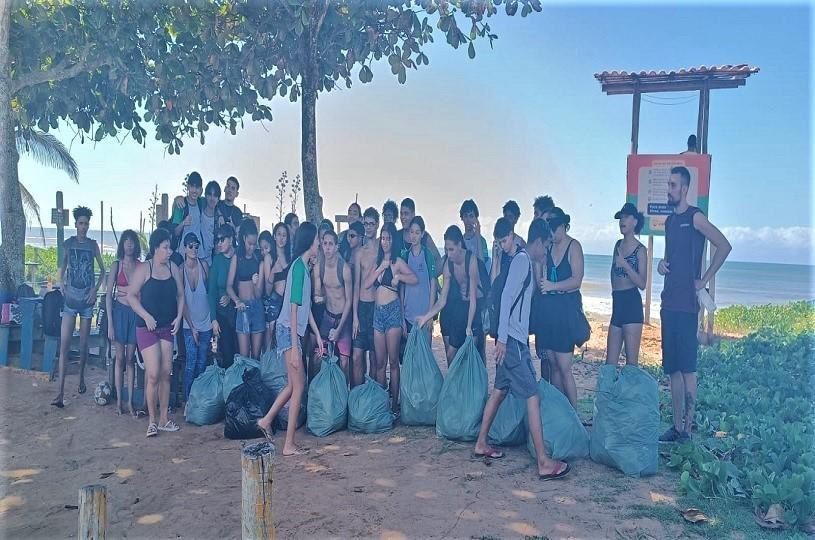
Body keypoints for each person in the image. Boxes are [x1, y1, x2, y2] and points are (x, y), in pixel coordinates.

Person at [473, 218, 570, 481]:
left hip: (512, 340)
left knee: (499, 391)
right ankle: (542, 461)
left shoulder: (525, 262)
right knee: (533, 396)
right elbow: (506, 298)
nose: (547, 249)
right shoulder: (522, 262)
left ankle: (481, 442)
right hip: (513, 342)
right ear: (537, 241)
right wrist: (503, 340)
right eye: (546, 244)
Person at [658, 166, 731, 443]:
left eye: (674, 185)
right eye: (669, 184)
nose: (669, 189)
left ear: (685, 189)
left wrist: (705, 279)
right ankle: (676, 426)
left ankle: (688, 429)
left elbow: (723, 245)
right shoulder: (669, 222)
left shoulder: (695, 217)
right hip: (668, 303)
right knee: (673, 368)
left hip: (688, 305)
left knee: (688, 368)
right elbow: (670, 256)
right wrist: (662, 266)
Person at [256, 222, 323, 456]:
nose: (318, 244)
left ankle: (266, 420)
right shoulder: (298, 269)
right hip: (288, 331)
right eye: (317, 241)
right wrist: (295, 347)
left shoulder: (303, 269)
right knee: (299, 385)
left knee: (293, 385)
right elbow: (294, 309)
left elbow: (307, 308)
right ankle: (289, 444)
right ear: (309, 242)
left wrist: (317, 335)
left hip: (291, 331)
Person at [128, 228, 184, 437]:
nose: (169, 251)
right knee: (152, 374)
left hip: (167, 326)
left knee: (166, 373)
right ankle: (152, 421)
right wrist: (146, 316)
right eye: (165, 247)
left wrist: (179, 317)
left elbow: (180, 295)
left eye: (170, 247)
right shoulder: (145, 268)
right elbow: (132, 297)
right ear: (155, 248)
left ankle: (163, 419)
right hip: (147, 328)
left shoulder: (173, 268)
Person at [52, 206, 106, 408]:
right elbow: (62, 268)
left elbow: (102, 271)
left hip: (86, 302)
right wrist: (62, 284)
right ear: (75, 225)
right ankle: (60, 392)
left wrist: (95, 290)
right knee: (64, 345)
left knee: (83, 346)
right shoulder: (68, 245)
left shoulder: (92, 245)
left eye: (86, 223)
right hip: (70, 302)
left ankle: (82, 378)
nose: (83, 226)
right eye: (80, 223)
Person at [363, 222, 417, 414]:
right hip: (378, 314)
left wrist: (399, 277)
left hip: (393, 311)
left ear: (393, 240)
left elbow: (414, 278)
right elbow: (367, 284)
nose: (385, 242)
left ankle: (394, 405)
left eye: (388, 238)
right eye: (383, 238)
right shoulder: (379, 262)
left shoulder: (398, 262)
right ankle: (381, 403)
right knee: (379, 362)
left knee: (393, 361)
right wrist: (380, 269)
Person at [538, 207, 586, 409]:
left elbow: (577, 280)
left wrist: (553, 286)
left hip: (566, 309)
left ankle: (573, 412)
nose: (551, 233)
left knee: (565, 366)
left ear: (563, 226)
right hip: (550, 310)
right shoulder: (548, 248)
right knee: (553, 365)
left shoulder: (574, 246)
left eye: (553, 227)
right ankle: (561, 412)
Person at [417, 225, 480, 365]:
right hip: (458, 310)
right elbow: (442, 301)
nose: (448, 254)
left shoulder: (471, 260)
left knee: (471, 357)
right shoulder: (447, 265)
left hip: (472, 310)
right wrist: (425, 317)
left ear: (460, 245)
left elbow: (474, 299)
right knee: (451, 353)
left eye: (451, 249)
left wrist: (469, 326)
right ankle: (455, 384)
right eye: (446, 250)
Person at [105, 229, 141, 416]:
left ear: (135, 245)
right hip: (119, 313)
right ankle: (119, 401)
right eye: (126, 241)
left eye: (132, 241)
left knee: (130, 359)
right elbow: (108, 296)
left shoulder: (140, 266)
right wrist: (110, 323)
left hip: (134, 314)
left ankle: (130, 402)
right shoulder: (116, 265)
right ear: (122, 244)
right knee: (119, 359)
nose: (129, 244)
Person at [606, 203, 647, 367]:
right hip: (618, 302)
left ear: (635, 221)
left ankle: (630, 393)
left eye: (626, 217)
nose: (622, 221)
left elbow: (642, 283)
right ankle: (609, 392)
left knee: (631, 363)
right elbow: (612, 272)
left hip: (631, 303)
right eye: (620, 218)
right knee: (610, 361)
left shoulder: (640, 250)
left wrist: (626, 266)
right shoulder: (617, 245)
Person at [310, 230, 353, 381]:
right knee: (317, 356)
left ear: (336, 247)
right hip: (328, 316)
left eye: (330, 244)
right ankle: (315, 393)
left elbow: (349, 301)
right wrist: (318, 297)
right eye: (325, 243)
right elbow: (316, 293)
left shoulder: (344, 269)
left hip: (343, 318)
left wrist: (340, 328)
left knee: (344, 361)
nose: (327, 247)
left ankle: (343, 397)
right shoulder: (318, 268)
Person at [180, 232, 212, 404]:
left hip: (205, 322)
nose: (194, 249)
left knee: (201, 363)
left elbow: (210, 292)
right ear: (185, 248)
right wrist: (191, 327)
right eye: (191, 246)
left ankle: (198, 400)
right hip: (188, 323)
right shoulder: (180, 270)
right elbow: (181, 301)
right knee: (191, 363)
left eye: (196, 246)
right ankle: (187, 401)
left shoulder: (204, 266)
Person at [227, 219, 265, 359]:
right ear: (243, 239)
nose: (252, 247)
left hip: (257, 306)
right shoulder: (237, 257)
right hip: (242, 307)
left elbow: (259, 294)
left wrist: (256, 283)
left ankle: (255, 380)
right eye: (250, 243)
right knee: (243, 356)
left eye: (255, 244)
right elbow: (229, 286)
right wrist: (237, 301)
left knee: (256, 356)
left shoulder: (258, 258)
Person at [352, 207, 380, 387]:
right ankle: (356, 397)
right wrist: (354, 315)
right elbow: (356, 284)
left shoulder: (383, 248)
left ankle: (372, 399)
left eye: (371, 224)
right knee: (356, 357)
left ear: (377, 225)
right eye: (366, 224)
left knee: (376, 357)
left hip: (377, 307)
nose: (368, 227)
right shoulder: (359, 253)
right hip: (362, 306)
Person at [401, 216, 438, 344]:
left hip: (425, 315)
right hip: (408, 315)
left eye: (417, 232)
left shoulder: (428, 255)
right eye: (412, 232)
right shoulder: (404, 256)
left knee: (425, 357)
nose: (414, 236)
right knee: (410, 358)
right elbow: (402, 289)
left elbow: (433, 284)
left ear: (422, 234)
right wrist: (402, 318)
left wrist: (430, 314)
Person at [530, 195, 555, 377]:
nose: (535, 218)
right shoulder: (536, 241)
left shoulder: (554, 243)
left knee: (553, 359)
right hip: (540, 306)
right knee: (544, 357)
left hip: (553, 308)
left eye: (538, 214)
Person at [208, 224, 238, 367]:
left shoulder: (239, 256)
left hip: (238, 312)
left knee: (239, 353)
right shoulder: (217, 260)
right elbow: (211, 291)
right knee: (224, 353)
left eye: (222, 239)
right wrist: (213, 319)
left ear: (231, 239)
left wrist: (230, 296)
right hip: (221, 315)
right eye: (217, 240)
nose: (219, 243)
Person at [261, 223, 291, 350]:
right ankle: (268, 365)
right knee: (271, 336)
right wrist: (274, 271)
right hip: (275, 300)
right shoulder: (269, 257)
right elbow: (267, 290)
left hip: (288, 301)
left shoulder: (290, 257)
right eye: (279, 234)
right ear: (274, 236)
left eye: (284, 235)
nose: (281, 238)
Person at [396, 198, 442, 277]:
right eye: (401, 214)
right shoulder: (396, 236)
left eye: (406, 214)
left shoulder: (424, 237)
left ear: (413, 214)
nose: (403, 217)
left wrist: (430, 279)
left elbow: (438, 261)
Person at [171, 171, 205, 251]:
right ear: (188, 187)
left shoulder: (202, 202)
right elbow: (175, 232)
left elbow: (214, 202)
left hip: (198, 250)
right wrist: (183, 223)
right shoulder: (181, 205)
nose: (194, 190)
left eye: (197, 187)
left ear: (201, 190)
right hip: (183, 252)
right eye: (192, 186)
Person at [198, 181, 220, 265]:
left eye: (215, 195)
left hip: (211, 262)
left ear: (218, 199)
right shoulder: (198, 211)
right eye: (210, 194)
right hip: (195, 258)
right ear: (206, 196)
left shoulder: (219, 220)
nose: (212, 198)